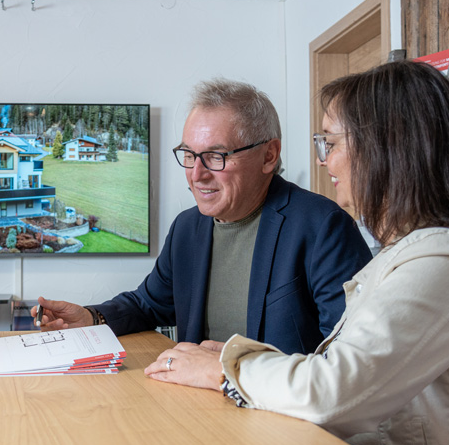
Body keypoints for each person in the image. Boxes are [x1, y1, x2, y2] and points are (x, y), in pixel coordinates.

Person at [145, 60, 449, 445]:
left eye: (332, 142)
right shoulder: (410, 255)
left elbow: (333, 390)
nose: (324, 160)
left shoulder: (447, 264)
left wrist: (228, 366)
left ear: (390, 149)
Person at [35, 79, 371, 355]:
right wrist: (92, 317)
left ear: (269, 155)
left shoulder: (323, 226)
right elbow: (148, 304)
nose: (196, 174)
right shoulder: (187, 227)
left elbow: (344, 358)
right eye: (189, 155)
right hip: (199, 413)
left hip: (281, 423)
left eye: (215, 156)